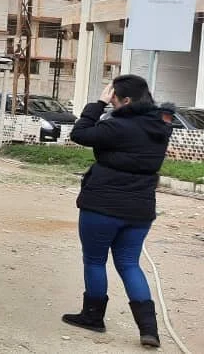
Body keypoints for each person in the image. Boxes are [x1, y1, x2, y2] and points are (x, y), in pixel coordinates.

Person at [62, 75, 172, 348]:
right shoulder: (160, 127)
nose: (110, 102)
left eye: (113, 98)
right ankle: (149, 330)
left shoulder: (117, 127)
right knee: (129, 263)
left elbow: (80, 133)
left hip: (102, 205)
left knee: (95, 260)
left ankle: (93, 316)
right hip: (140, 209)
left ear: (126, 100)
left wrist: (96, 105)